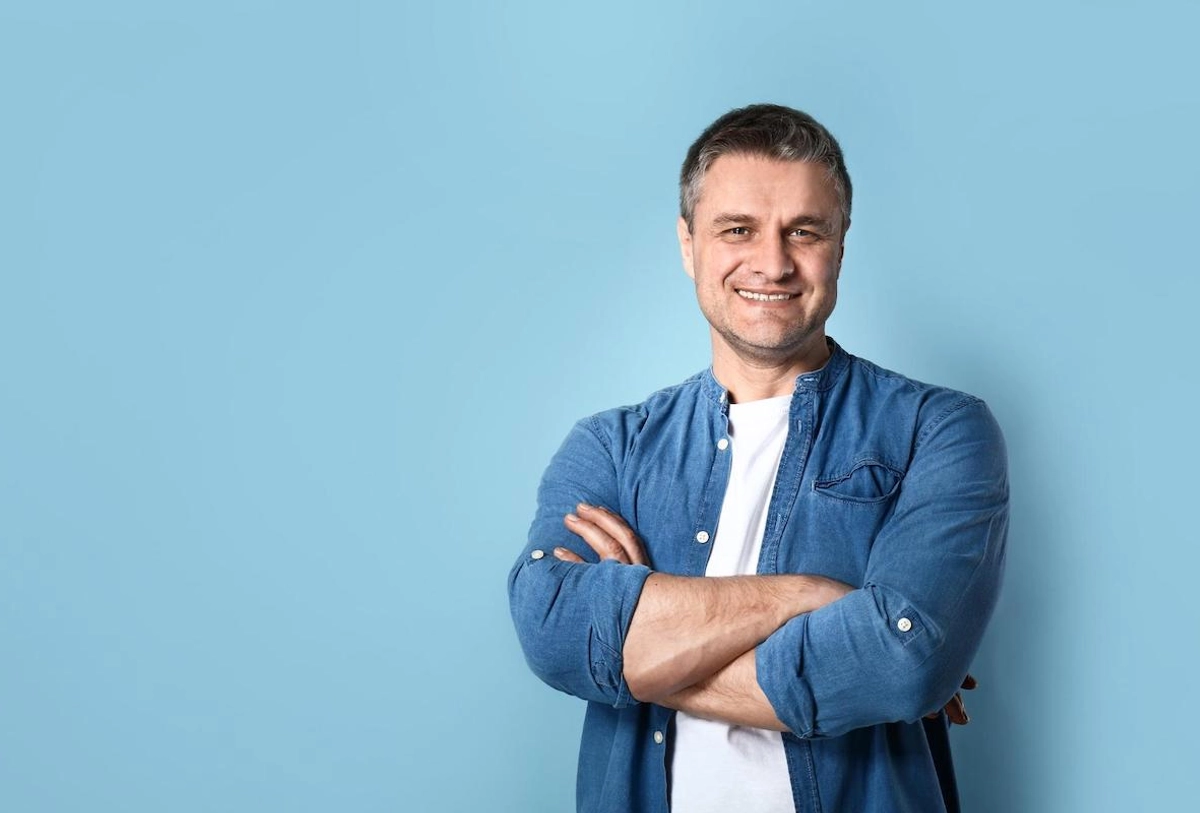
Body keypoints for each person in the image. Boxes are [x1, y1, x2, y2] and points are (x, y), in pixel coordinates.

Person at [507, 103, 1008, 813]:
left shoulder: (942, 429)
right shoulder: (610, 447)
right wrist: (803, 595)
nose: (772, 263)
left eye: (804, 231)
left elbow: (901, 664)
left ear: (840, 244)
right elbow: (552, 629)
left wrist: (637, 652)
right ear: (688, 245)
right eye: (737, 229)